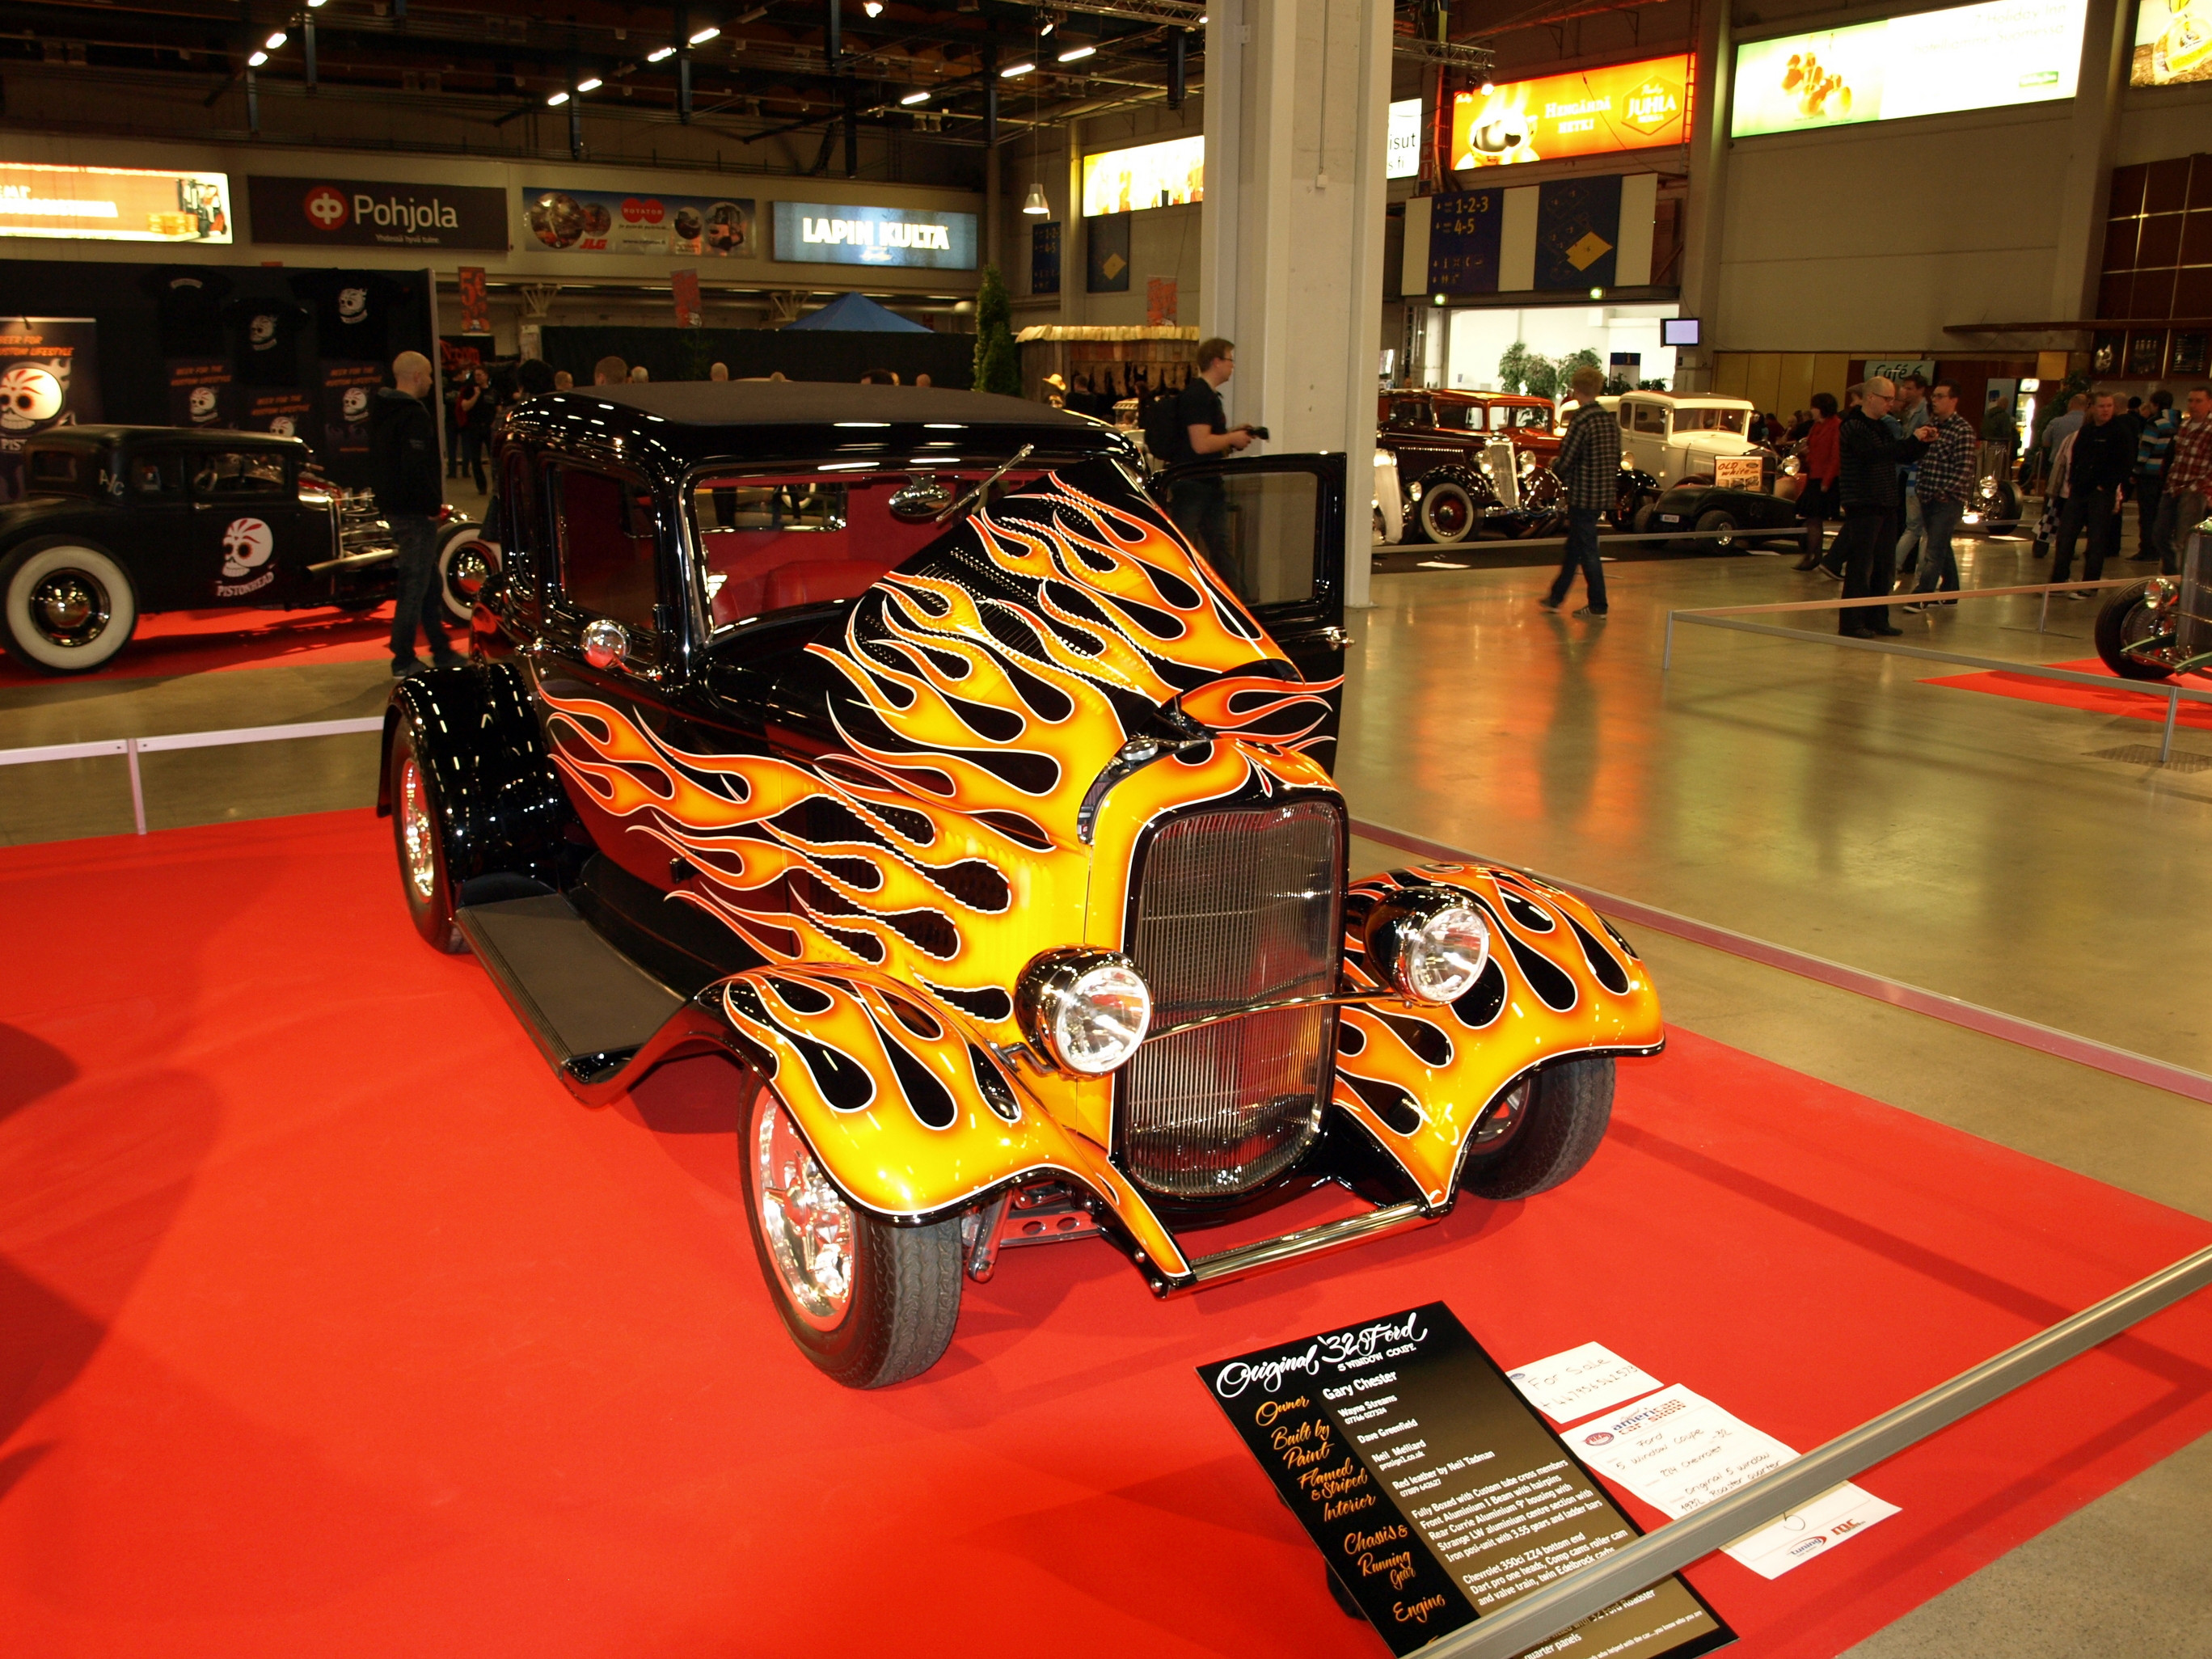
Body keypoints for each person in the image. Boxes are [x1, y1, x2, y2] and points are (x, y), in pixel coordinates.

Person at [372, 351, 461, 678]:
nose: (432, 382)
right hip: (415, 514)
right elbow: (416, 469)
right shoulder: (412, 416)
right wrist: (430, 507)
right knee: (415, 584)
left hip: (398, 510)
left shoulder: (382, 412)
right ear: (417, 377)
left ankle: (441, 650)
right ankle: (403, 657)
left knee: (429, 583)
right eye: (429, 375)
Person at [1833, 377, 1930, 637]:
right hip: (1863, 504)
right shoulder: (1853, 426)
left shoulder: (1884, 428)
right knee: (1861, 566)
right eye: (1887, 398)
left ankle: (1877, 618)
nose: (1891, 404)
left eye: (1892, 399)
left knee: (1884, 567)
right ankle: (1852, 622)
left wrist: (1921, 443)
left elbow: (1901, 454)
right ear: (1870, 397)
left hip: (1886, 503)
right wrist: (1912, 442)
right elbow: (1875, 455)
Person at [1166, 337, 1255, 579]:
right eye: (1230, 359)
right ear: (1216, 362)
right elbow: (1201, 443)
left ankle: (1234, 603)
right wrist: (1231, 438)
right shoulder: (1198, 396)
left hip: (1207, 483)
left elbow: (1205, 439)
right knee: (1181, 546)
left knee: (1220, 547)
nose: (1232, 365)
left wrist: (1231, 435)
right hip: (1193, 485)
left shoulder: (1208, 396)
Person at [1539, 365, 1619, 618]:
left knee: (1588, 551)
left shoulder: (1581, 420)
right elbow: (1615, 458)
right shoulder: (1609, 421)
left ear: (1576, 390)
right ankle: (1556, 597)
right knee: (1575, 547)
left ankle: (1598, 605)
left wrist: (1554, 466)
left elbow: (1567, 459)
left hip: (1582, 495)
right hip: (1602, 495)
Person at [1902, 382, 1977, 610]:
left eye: (1941, 396)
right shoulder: (1931, 426)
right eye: (1934, 396)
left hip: (1947, 500)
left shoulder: (1962, 430)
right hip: (1927, 495)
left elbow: (1964, 469)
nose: (1935, 400)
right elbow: (1923, 460)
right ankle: (1951, 589)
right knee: (1940, 543)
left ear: (1953, 400)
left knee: (1934, 548)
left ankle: (1922, 594)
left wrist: (1945, 493)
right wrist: (1922, 488)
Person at [2050, 392, 2131, 593]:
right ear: (2093, 408)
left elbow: (2125, 463)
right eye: (2102, 406)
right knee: (2066, 536)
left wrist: (2107, 486)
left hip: (2101, 493)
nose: (2105, 410)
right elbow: (2075, 459)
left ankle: (2090, 585)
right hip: (2079, 491)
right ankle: (2059, 581)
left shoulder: (2120, 432)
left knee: (2096, 540)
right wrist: (2073, 482)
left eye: (2109, 406)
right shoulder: (2086, 432)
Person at [2154, 385, 2212, 577]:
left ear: (2209, 403)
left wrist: (2196, 488)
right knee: (2159, 535)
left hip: (2194, 490)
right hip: (2173, 486)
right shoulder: (2185, 426)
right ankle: (2173, 573)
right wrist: (2169, 482)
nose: (2193, 405)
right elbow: (2176, 458)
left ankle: (2185, 579)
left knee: (2185, 539)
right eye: (2190, 400)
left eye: (2198, 401)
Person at [1793, 392, 1843, 572]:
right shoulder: (1816, 426)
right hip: (1814, 476)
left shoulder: (1836, 426)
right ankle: (1814, 555)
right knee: (1812, 519)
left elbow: (1835, 457)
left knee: (1815, 519)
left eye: (1814, 407)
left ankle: (1812, 556)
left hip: (1824, 479)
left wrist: (1827, 481)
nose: (1811, 410)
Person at [1891, 374, 1930, 576]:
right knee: (1912, 524)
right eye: (1904, 388)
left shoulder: (1925, 414)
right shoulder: (1908, 412)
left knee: (1915, 525)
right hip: (1906, 471)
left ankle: (1908, 564)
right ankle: (1903, 563)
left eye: (1910, 388)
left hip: (1915, 471)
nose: (1905, 392)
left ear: (1921, 390)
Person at [2133, 390, 2177, 563]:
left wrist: (2135, 471)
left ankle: (2147, 550)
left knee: (2147, 514)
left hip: (2150, 474)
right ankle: (2160, 549)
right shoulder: (2180, 422)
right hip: (2168, 474)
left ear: (2156, 404)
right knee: (2163, 515)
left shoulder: (2155, 423)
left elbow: (2146, 449)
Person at [458, 365, 493, 492]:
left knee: (493, 457)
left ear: (486, 376)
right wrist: (476, 395)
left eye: (480, 375)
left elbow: (498, 409)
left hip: (489, 428)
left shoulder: (493, 392)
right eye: (476, 375)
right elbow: (465, 407)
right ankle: (481, 486)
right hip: (474, 428)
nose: (478, 377)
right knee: (475, 458)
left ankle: (496, 484)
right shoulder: (469, 390)